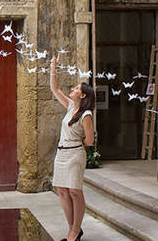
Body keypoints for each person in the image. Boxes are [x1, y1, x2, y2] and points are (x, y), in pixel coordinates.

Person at [49, 56, 95, 241]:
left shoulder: (86, 114)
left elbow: (90, 140)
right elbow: (55, 89)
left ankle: (75, 232)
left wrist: (75, 145)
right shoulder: (70, 106)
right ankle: (73, 229)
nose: (73, 89)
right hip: (61, 154)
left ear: (83, 95)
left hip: (75, 154)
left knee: (75, 191)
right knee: (62, 191)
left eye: (76, 89)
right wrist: (53, 67)